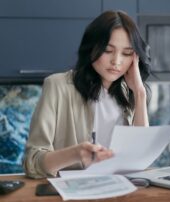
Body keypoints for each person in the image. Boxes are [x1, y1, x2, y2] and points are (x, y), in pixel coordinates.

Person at [23, 10, 151, 179]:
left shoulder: (130, 93)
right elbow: (32, 163)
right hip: (72, 192)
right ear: (92, 47)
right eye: (107, 50)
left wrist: (140, 94)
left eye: (126, 53)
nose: (117, 61)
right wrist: (75, 153)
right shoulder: (58, 86)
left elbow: (141, 158)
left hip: (120, 189)